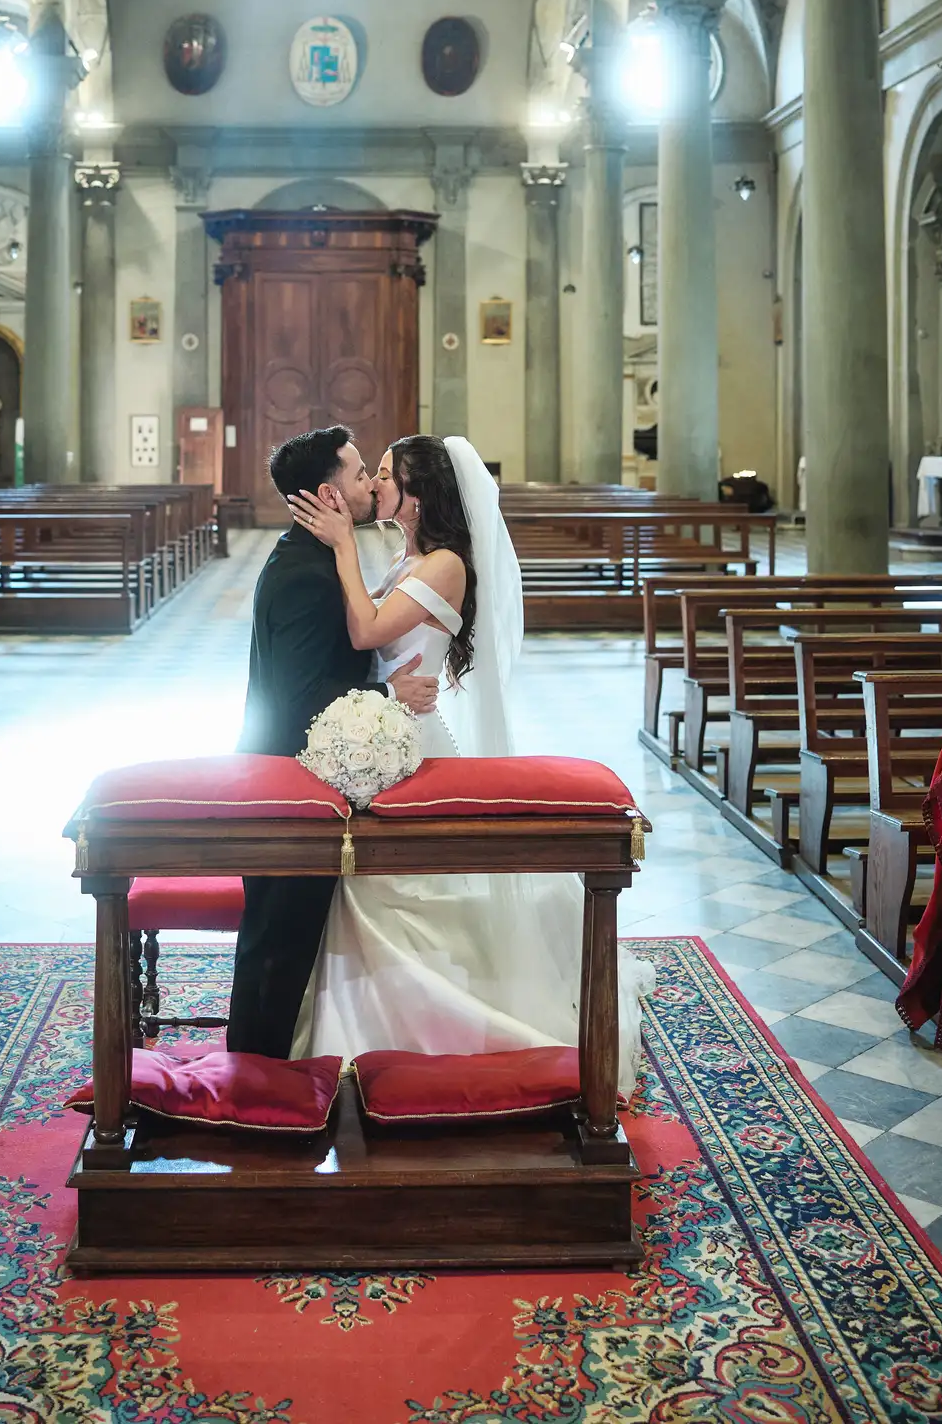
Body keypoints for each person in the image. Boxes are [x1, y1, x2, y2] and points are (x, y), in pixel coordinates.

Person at [286, 433, 651, 1097]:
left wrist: (341, 546)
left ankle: (443, 1024)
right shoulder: (412, 553)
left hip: (414, 743)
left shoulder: (447, 563)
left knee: (412, 881)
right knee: (369, 877)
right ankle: (367, 1025)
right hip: (392, 725)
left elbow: (368, 630)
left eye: (389, 476)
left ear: (419, 498)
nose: (377, 485)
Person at [226, 426, 439, 1058]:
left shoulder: (312, 557)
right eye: (356, 474)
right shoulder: (305, 575)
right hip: (288, 777)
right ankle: (254, 1069)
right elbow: (302, 695)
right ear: (329, 493)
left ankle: (272, 1054)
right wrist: (390, 699)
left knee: (286, 930)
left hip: (298, 766)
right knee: (278, 932)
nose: (369, 484)